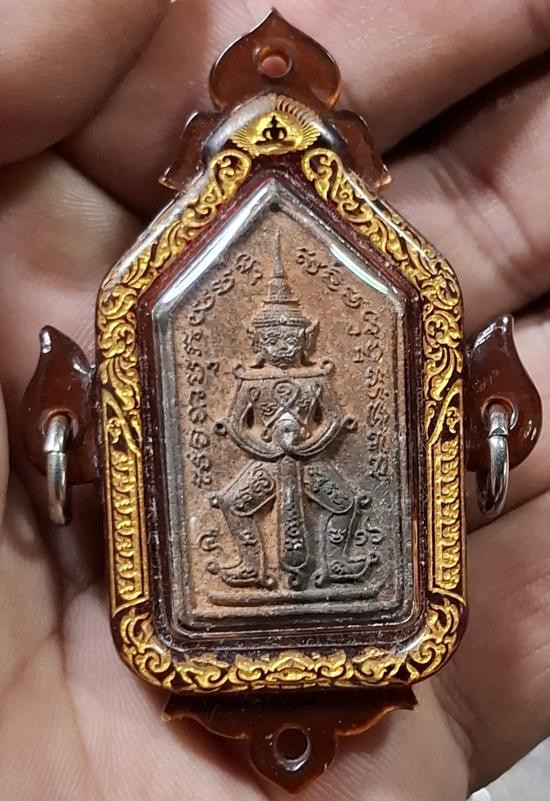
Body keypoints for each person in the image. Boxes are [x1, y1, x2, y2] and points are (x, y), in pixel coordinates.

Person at [0, 2, 549, 799]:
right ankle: (244, 568)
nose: (287, 346)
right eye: (278, 337)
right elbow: (234, 424)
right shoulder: (238, 366)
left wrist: (312, 438)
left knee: (347, 505)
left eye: (294, 337)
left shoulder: (321, 370)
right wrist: (262, 443)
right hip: (259, 471)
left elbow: (328, 424)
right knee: (229, 505)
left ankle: (347, 567)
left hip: (314, 469)